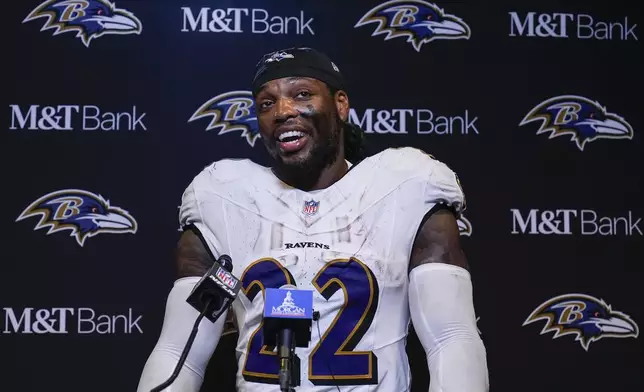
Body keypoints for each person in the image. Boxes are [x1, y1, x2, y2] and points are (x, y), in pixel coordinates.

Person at [137, 47, 489, 392]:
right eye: (266, 103)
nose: (282, 111)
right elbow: (179, 353)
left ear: (340, 104)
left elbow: (451, 338)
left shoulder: (405, 186)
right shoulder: (223, 198)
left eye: (301, 94)